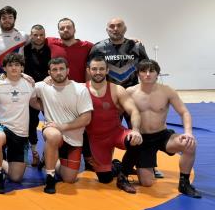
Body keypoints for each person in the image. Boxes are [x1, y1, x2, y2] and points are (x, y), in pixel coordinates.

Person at [123, 60, 200, 198]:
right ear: (138, 74)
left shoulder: (167, 91)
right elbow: (116, 114)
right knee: (147, 183)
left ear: (157, 74)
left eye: (151, 71)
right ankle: (126, 166)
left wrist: (188, 132)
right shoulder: (130, 92)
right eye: (143, 71)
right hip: (143, 139)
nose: (147, 74)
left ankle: (184, 183)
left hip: (162, 135)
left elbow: (184, 112)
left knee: (189, 144)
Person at [32, 57, 93, 194]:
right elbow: (25, 90)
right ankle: (50, 176)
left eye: (61, 69)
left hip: (73, 139)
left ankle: (49, 158)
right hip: (53, 131)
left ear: (68, 70)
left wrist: (62, 126)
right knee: (53, 135)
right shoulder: (42, 86)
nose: (58, 72)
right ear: (49, 72)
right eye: (54, 70)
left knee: (69, 179)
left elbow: (86, 118)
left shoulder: (80, 89)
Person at [85, 56, 142, 194]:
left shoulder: (117, 89)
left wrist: (135, 130)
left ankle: (123, 176)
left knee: (135, 141)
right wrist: (48, 80)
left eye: (101, 69)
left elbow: (134, 110)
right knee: (105, 179)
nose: (98, 72)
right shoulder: (80, 89)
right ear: (88, 70)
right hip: (96, 141)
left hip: (116, 133)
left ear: (107, 70)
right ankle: (116, 165)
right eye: (94, 69)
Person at [0, 53, 37, 194]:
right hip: (2, 126)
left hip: (21, 133)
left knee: (15, 177)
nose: (14, 68)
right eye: (10, 65)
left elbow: (34, 102)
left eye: (17, 65)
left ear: (22, 68)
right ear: (4, 68)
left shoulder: (30, 84)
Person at [23, 24, 65, 167]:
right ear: (31, 35)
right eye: (35, 35)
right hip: (31, 91)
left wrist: (51, 77)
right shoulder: (24, 49)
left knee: (52, 122)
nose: (39, 37)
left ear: (45, 35)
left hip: (49, 90)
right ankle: (34, 153)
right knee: (31, 123)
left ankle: (48, 153)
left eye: (41, 35)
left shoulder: (51, 48)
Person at [88, 18, 148, 90]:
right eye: (112, 26)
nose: (115, 29)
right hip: (106, 91)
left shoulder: (136, 46)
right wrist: (91, 90)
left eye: (119, 25)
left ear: (125, 29)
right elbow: (89, 70)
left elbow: (146, 69)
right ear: (107, 30)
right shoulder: (98, 48)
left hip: (132, 90)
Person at [47, 18, 93, 83]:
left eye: (68, 27)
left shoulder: (87, 46)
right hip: (57, 86)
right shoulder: (51, 42)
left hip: (80, 87)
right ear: (58, 32)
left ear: (74, 30)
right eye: (62, 28)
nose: (65, 30)